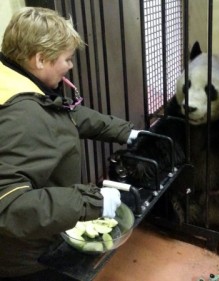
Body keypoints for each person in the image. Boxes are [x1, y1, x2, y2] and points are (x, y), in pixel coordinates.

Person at [0, 7, 140, 280]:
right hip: (28, 260)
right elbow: (9, 207)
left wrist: (124, 131)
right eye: (67, 59)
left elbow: (62, 114)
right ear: (40, 59)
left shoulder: (14, 82)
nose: (70, 66)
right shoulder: (22, 116)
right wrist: (92, 203)